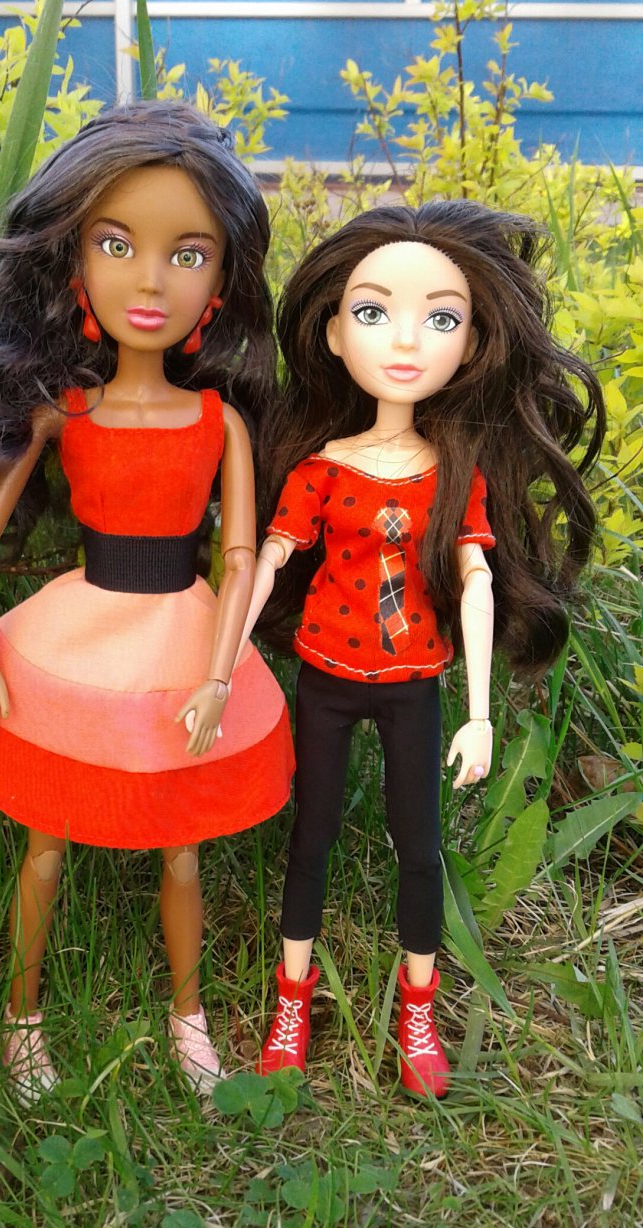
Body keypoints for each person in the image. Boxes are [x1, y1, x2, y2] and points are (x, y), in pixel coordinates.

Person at [0, 101, 294, 1105]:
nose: (149, 281)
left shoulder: (219, 420)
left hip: (179, 635)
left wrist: (216, 675)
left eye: (187, 254)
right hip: (76, 632)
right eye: (116, 245)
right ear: (73, 263)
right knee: (46, 840)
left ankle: (189, 1017)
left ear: (220, 283)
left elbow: (238, 555)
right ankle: (21, 1015)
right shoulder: (61, 412)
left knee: (182, 847)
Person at [240, 201, 604, 1097]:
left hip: (414, 683)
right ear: (333, 333)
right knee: (311, 837)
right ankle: (293, 996)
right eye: (374, 312)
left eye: (440, 319)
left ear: (472, 344)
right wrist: (222, 666)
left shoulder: (454, 473)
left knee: (420, 846)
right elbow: (271, 557)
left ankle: (418, 1008)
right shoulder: (322, 468)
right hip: (326, 674)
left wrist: (480, 714)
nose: (405, 340)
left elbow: (477, 581)